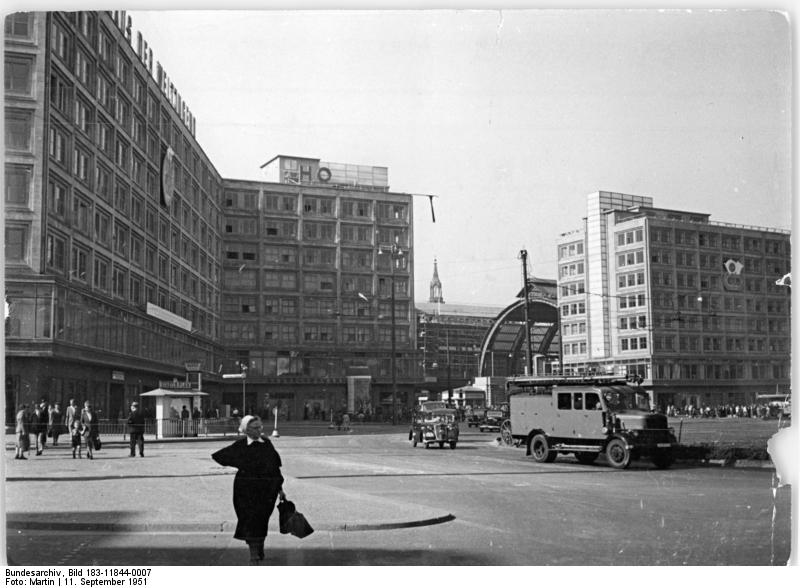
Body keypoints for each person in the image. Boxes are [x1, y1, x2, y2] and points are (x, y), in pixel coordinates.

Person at [211, 415, 284, 565]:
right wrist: (240, 464)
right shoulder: (241, 445)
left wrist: (280, 490)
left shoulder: (267, 444)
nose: (259, 430)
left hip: (267, 490)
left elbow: (276, 468)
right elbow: (219, 456)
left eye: (260, 427)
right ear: (246, 430)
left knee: (262, 520)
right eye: (255, 428)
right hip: (245, 490)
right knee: (249, 520)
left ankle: (259, 546)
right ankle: (254, 554)